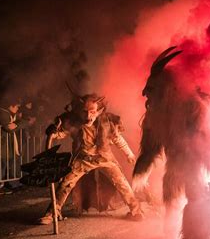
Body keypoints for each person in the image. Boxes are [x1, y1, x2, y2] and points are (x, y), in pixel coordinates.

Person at [132, 47, 210, 239]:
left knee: (194, 194)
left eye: (151, 89)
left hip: (192, 159)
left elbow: (205, 134)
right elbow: (151, 144)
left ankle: (200, 237)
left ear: (164, 88)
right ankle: (171, 231)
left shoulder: (190, 105)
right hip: (176, 160)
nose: (145, 94)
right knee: (170, 193)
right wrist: (143, 166)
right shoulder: (155, 113)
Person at [38, 93, 142, 224]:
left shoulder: (107, 122)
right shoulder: (75, 123)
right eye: (85, 112)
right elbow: (60, 133)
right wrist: (54, 131)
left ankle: (136, 211)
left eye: (92, 112)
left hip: (104, 158)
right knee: (65, 183)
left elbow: (118, 139)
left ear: (99, 111)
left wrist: (129, 154)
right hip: (82, 159)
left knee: (121, 183)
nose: (88, 116)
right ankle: (52, 213)